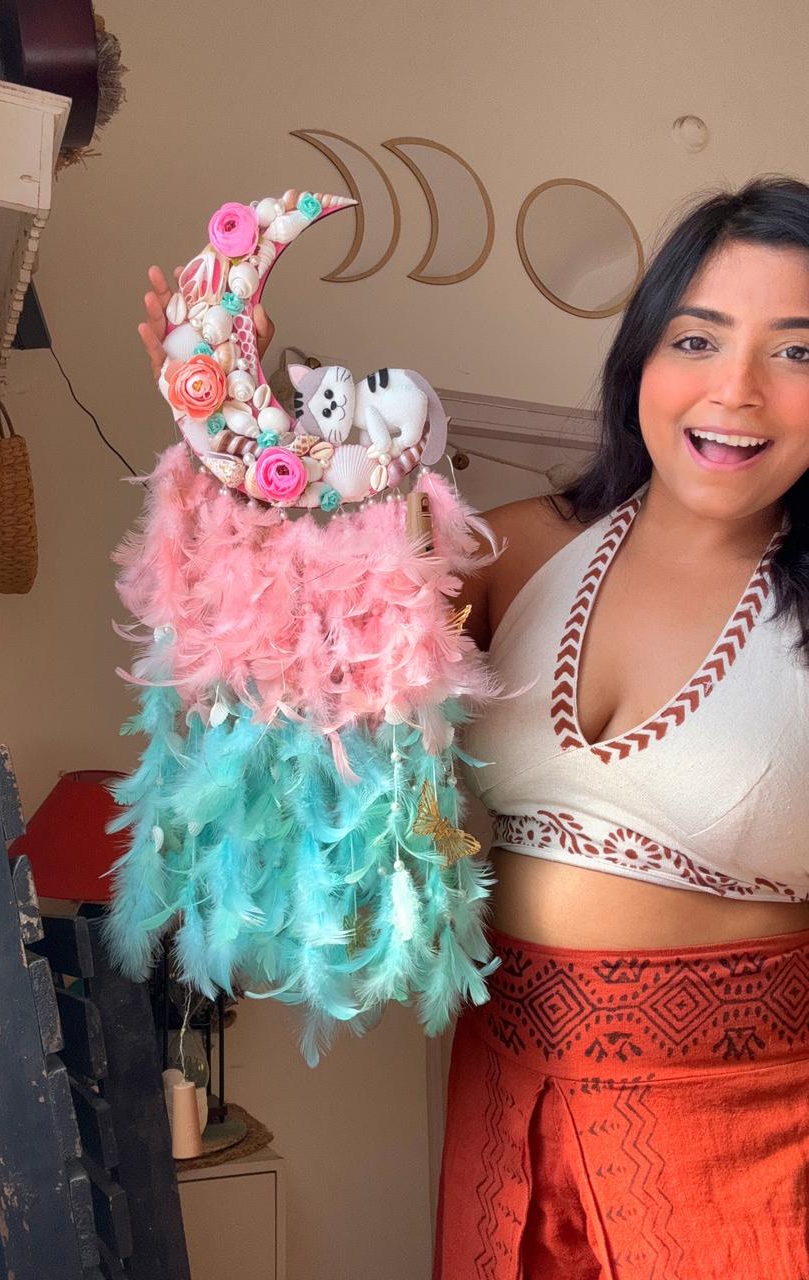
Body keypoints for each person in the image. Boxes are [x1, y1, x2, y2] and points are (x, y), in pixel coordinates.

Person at [138, 175, 809, 1278]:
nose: (736, 389)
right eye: (698, 338)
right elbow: (313, 681)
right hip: (509, 1090)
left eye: (797, 352)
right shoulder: (520, 546)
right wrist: (242, 437)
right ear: (641, 357)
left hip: (749, 1129)